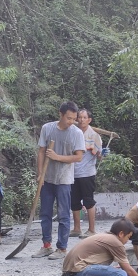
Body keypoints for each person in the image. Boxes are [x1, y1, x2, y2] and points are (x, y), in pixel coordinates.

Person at [34, 102, 86, 259]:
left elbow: (78, 157)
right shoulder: (47, 128)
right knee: (45, 213)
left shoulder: (77, 133)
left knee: (63, 214)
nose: (72, 122)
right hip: (47, 178)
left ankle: (62, 248)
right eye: (69, 118)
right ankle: (46, 246)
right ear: (61, 114)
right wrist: (40, 174)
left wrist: (57, 157)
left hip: (64, 179)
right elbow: (41, 151)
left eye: (74, 119)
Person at [70, 109, 103, 239]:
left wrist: (102, 153)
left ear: (89, 120)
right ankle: (77, 228)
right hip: (73, 172)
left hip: (87, 173)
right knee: (74, 201)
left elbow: (99, 156)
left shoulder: (94, 136)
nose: (82, 120)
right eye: (80, 117)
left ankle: (91, 229)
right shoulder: (73, 133)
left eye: (84, 117)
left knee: (88, 200)